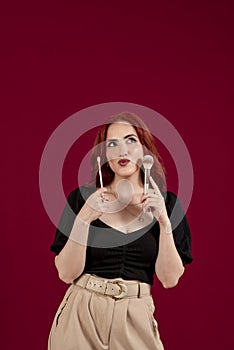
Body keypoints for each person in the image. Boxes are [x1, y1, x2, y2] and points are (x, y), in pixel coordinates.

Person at [48, 112, 193, 350]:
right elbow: (66, 273)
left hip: (136, 316)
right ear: (103, 155)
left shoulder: (168, 205)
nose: (121, 150)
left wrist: (165, 223)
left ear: (145, 150)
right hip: (81, 316)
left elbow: (170, 279)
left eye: (130, 140)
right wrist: (84, 219)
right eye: (112, 144)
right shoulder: (82, 199)